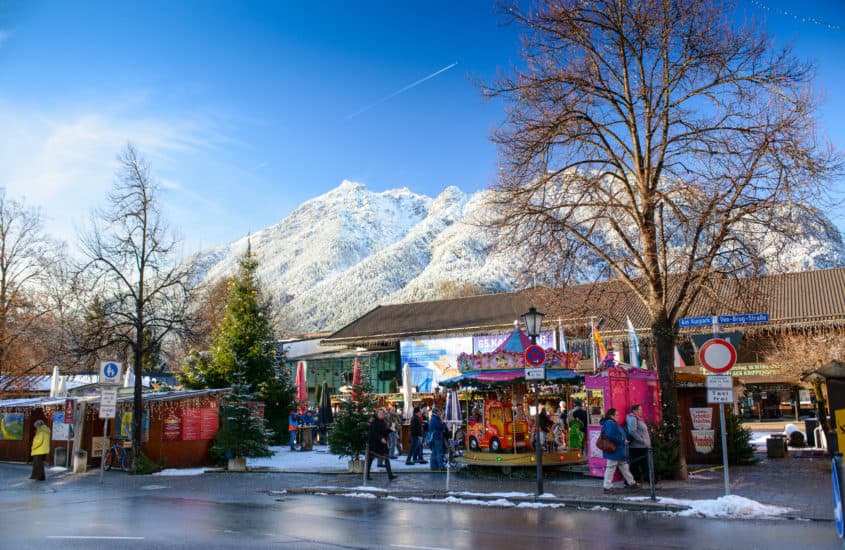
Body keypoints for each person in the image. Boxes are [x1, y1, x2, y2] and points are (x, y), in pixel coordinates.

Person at [600, 408, 638, 493]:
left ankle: (632, 483)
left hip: (617, 450)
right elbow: (610, 435)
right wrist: (622, 440)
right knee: (611, 468)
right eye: (616, 415)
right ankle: (607, 487)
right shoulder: (610, 423)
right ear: (611, 416)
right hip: (615, 450)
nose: (618, 416)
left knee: (624, 467)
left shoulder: (610, 423)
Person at [366, 408, 397, 481]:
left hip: (382, 444)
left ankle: (390, 475)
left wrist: (391, 429)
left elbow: (385, 431)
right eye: (380, 414)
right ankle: (367, 475)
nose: (382, 415)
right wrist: (380, 438)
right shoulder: (374, 422)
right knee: (370, 460)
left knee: (386, 458)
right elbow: (373, 433)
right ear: (377, 414)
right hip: (374, 444)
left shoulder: (384, 422)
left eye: (383, 414)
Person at [625, 404, 652, 483]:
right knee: (639, 464)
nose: (641, 411)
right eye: (640, 409)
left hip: (642, 446)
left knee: (642, 464)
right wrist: (642, 440)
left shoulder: (637, 418)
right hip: (638, 446)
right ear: (634, 410)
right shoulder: (633, 418)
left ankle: (647, 480)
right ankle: (631, 481)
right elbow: (632, 431)